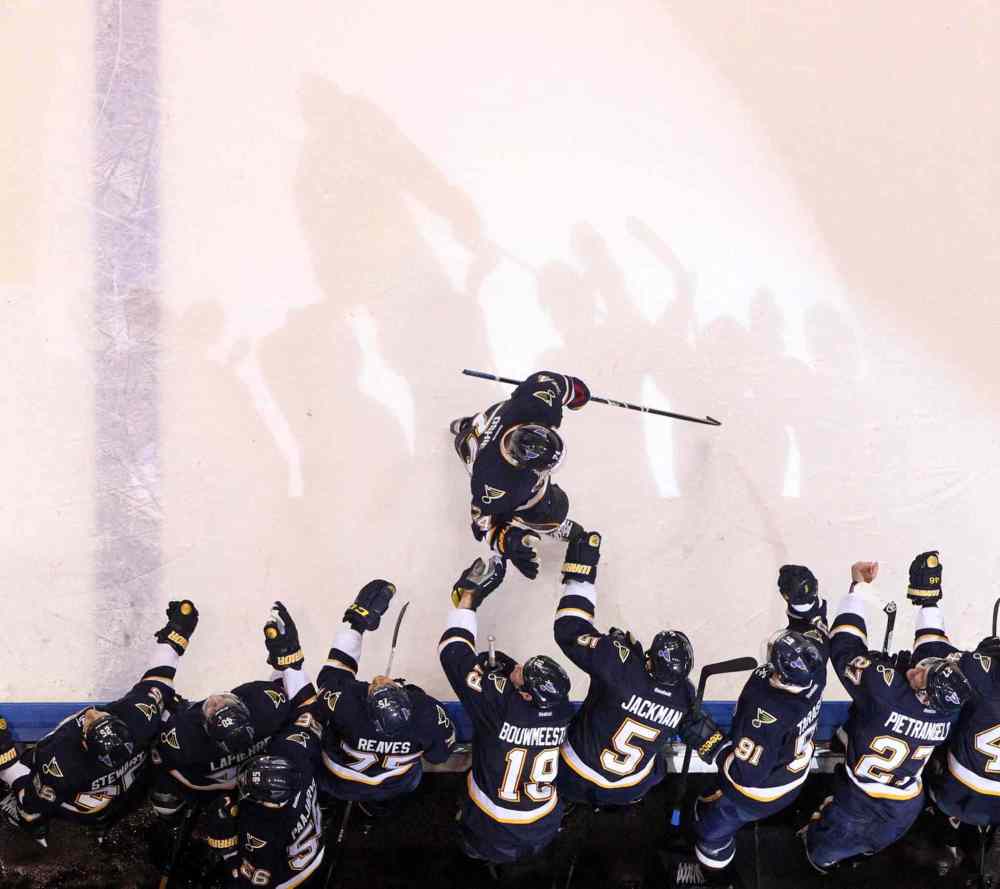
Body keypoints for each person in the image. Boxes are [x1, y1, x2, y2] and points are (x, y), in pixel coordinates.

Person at [804, 553, 974, 873]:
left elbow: (844, 647)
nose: (913, 669)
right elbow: (934, 653)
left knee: (821, 852)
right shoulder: (949, 710)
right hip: (905, 806)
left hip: (857, 801)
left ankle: (824, 863)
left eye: (917, 676)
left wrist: (857, 590)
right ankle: (861, 855)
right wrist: (929, 603)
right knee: (872, 845)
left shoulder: (885, 692)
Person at [1, 600, 199, 846]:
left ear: (84, 743)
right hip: (129, 793)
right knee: (172, 715)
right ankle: (162, 805)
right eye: (103, 718)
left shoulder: (60, 765)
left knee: (28, 808)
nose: (94, 714)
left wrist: (4, 752)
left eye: (92, 724)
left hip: (89, 808)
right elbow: (161, 675)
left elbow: (30, 800)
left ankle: (36, 830)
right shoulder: (140, 719)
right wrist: (179, 631)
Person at [552, 529, 723, 808]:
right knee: (658, 767)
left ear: (649, 660)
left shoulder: (618, 664)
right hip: (630, 789)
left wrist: (580, 576)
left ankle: (561, 807)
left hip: (573, 774)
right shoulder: (684, 694)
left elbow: (569, 630)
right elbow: (696, 729)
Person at [692, 565, 829, 874]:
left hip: (756, 794)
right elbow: (813, 627)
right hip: (790, 774)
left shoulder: (765, 710)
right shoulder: (815, 666)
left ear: (780, 672)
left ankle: (715, 875)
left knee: (709, 830)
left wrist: (710, 742)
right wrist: (803, 598)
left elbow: (746, 775)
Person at [439, 555, 575, 865]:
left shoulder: (499, 706)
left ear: (525, 696)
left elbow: (453, 652)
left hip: (492, 825)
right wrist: (509, 671)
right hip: (543, 826)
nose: (519, 667)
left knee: (475, 838)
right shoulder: (561, 709)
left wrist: (468, 600)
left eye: (521, 674)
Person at [206, 602, 327, 888]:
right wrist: (290, 663)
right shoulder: (297, 756)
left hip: (285, 879)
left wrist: (224, 844)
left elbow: (249, 882)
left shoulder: (258, 830)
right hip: (310, 857)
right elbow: (310, 709)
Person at [316, 579, 456, 813]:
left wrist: (355, 622)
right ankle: (377, 809)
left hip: (337, 781)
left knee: (315, 738)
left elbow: (334, 672)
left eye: (375, 686)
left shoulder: (348, 703)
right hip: (393, 785)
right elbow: (439, 756)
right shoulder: (427, 712)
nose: (380, 679)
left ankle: (326, 801)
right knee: (411, 775)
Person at [450, 370, 591, 579]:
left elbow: (549, 381)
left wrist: (573, 389)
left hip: (490, 421)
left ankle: (466, 426)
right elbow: (481, 519)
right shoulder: (496, 483)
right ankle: (549, 523)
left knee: (472, 431)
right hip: (479, 454)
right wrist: (507, 540)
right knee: (552, 509)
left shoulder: (537, 406)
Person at [150, 633, 300, 823]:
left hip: (223, 780)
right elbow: (291, 693)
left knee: (165, 796)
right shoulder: (268, 706)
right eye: (222, 705)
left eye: (214, 709)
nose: (215, 700)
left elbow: (166, 763)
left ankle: (173, 822)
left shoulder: (183, 739)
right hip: (254, 776)